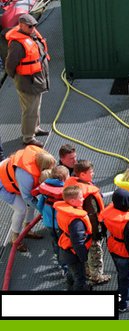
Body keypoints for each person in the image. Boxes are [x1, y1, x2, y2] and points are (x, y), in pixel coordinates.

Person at [5, 14, 50, 148]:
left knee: (36, 106)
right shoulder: (17, 44)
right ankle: (28, 137)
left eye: (34, 26)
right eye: (30, 26)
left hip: (37, 80)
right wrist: (18, 77)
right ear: (21, 25)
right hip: (27, 82)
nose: (33, 28)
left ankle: (35, 128)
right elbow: (10, 65)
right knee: (29, 110)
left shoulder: (31, 35)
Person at [0, 145, 56, 252]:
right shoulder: (27, 176)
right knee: (21, 209)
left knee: (31, 203)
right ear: (43, 167)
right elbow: (27, 197)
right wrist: (42, 210)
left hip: (13, 176)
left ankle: (27, 229)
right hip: (3, 183)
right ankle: (15, 237)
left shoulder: (41, 157)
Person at [64, 160, 111, 284]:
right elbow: (93, 215)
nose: (93, 173)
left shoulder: (72, 185)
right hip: (89, 229)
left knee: (85, 253)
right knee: (95, 252)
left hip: (78, 229)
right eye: (91, 172)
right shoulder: (88, 195)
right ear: (82, 175)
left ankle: (86, 271)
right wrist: (98, 231)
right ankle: (96, 276)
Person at [99, 188, 129, 313]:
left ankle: (127, 294)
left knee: (122, 273)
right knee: (125, 277)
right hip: (124, 252)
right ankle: (124, 303)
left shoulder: (108, 214)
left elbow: (102, 228)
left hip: (113, 246)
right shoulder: (128, 223)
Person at [55, 185, 92, 291]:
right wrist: (83, 257)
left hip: (65, 248)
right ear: (72, 201)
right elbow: (78, 242)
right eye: (80, 197)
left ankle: (69, 287)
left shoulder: (64, 212)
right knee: (80, 279)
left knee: (72, 273)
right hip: (73, 253)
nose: (83, 199)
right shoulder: (76, 221)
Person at [36, 165, 70, 274]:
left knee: (55, 242)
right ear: (64, 178)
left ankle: (60, 262)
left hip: (49, 223)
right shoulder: (66, 191)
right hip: (61, 225)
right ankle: (66, 267)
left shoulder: (46, 191)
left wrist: (45, 215)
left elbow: (39, 205)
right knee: (64, 245)